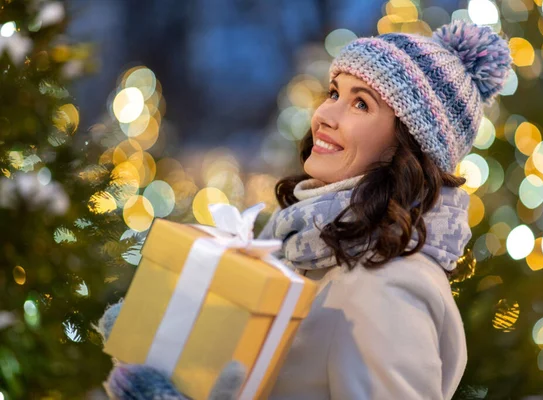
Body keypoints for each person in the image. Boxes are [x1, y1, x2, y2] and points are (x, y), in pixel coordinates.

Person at [94, 19, 512, 399]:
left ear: (405, 145)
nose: (326, 114)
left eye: (361, 103)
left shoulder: (383, 287)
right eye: (334, 93)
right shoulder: (316, 249)